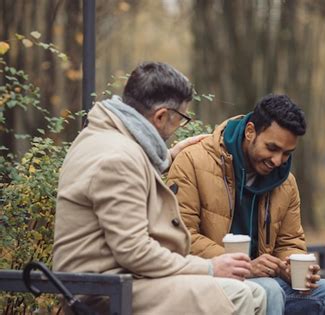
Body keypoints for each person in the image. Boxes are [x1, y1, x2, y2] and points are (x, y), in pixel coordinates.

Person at [52, 62, 267, 314]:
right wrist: (210, 267)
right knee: (238, 295)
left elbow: (128, 179)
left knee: (256, 293)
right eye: (181, 119)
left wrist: (167, 157)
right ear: (161, 116)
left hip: (118, 279)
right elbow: (135, 252)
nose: (178, 127)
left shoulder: (105, 137)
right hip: (101, 289)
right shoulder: (117, 158)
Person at [168, 94, 325, 315]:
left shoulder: (286, 183)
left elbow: (290, 241)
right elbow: (181, 236)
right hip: (210, 277)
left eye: (286, 153)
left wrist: (289, 266)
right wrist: (247, 265)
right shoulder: (193, 161)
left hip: (264, 280)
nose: (278, 160)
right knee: (269, 290)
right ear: (250, 132)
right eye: (272, 148)